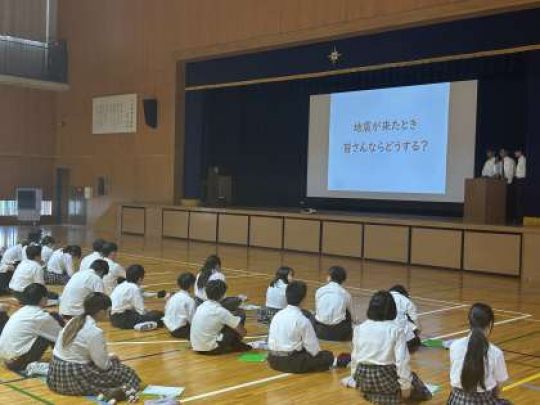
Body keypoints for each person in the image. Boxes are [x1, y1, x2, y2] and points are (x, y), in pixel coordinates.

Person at [47, 292, 141, 401]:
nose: (110, 313)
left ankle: (115, 390)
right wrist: (111, 359)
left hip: (55, 374)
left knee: (113, 364)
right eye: (108, 311)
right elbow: (103, 366)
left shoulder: (74, 321)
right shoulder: (94, 332)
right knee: (127, 372)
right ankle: (118, 391)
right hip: (74, 376)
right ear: (101, 312)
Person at [343, 291, 431, 403]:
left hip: (363, 376)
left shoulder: (359, 328)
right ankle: (392, 398)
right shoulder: (396, 330)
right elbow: (402, 362)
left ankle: (376, 396)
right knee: (417, 386)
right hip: (385, 376)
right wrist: (406, 388)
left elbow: (355, 356)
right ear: (392, 310)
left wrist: (355, 379)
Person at [268, 281, 349, 373]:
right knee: (326, 356)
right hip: (291, 363)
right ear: (303, 299)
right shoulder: (302, 320)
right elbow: (314, 350)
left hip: (272, 360)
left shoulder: (277, 315)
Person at [447, 303, 511, 404]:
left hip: (456, 400)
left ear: (469, 322)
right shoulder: (495, 352)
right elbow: (499, 386)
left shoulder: (455, 346)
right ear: (490, 325)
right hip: (483, 400)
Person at [0, 284, 63, 372]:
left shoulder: (21, 311)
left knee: (48, 326)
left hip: (6, 359)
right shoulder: (41, 316)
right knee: (53, 323)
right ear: (43, 299)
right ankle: (62, 359)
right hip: (18, 363)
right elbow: (62, 337)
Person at [190, 279, 251, 355]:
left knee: (225, 322)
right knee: (240, 314)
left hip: (196, 346)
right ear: (223, 295)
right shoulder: (220, 311)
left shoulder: (201, 306)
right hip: (212, 349)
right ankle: (236, 344)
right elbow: (243, 332)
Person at [110, 264, 164, 329]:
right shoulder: (134, 288)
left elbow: (142, 294)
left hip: (113, 317)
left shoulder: (122, 285)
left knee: (148, 314)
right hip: (123, 320)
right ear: (139, 279)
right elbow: (142, 311)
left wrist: (156, 295)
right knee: (158, 315)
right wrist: (152, 313)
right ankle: (146, 325)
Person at [314, 266, 354, 341]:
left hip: (319, 332)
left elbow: (317, 310)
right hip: (338, 334)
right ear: (343, 280)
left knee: (312, 314)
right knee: (348, 313)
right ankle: (348, 337)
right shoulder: (346, 294)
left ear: (329, 277)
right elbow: (352, 316)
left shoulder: (319, 291)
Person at [389, 285, 422, 353]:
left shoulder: (381, 297)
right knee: (413, 328)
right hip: (398, 335)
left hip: (379, 334)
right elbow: (418, 327)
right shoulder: (407, 301)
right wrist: (416, 335)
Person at [163, 272, 196, 338]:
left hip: (169, 327)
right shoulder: (189, 300)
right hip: (180, 330)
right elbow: (192, 320)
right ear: (191, 285)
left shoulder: (173, 296)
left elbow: (166, 309)